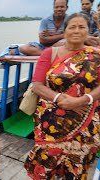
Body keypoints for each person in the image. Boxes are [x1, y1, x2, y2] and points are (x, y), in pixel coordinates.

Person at [24, 13, 100, 179]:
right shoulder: (50, 53)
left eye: (82, 27)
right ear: (65, 31)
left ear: (88, 31)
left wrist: (82, 100)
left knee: (76, 167)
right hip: (51, 121)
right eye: (72, 27)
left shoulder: (96, 56)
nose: (77, 31)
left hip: (85, 121)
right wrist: (61, 99)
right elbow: (37, 85)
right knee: (44, 162)